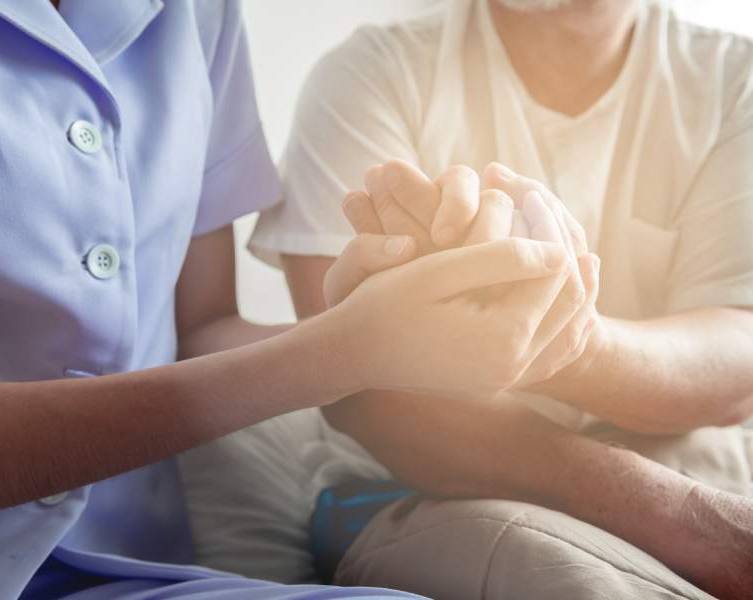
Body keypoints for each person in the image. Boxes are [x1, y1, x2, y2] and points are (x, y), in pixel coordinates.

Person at [0, 1, 594, 599]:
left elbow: (203, 327)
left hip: (130, 564)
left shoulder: (195, 14)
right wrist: (338, 352)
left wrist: (385, 317)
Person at [181, 0, 753, 598]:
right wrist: (674, 513)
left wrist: (571, 344)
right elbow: (361, 393)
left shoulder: (732, 77)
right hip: (427, 491)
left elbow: (735, 361)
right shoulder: (374, 73)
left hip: (698, 463)